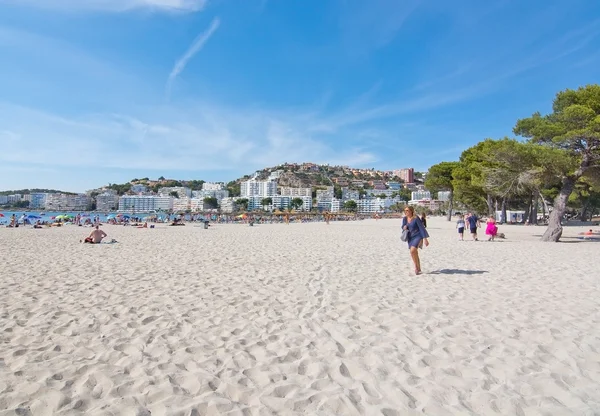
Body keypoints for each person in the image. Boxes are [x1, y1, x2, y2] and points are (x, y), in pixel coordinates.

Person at [402, 206, 430, 275]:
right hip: (410, 237)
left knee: (413, 250)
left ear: (411, 211)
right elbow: (402, 226)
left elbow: (421, 228)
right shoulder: (405, 219)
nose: (406, 212)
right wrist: (404, 227)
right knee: (414, 253)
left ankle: (416, 268)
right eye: (405, 211)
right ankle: (418, 268)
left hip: (418, 236)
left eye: (407, 210)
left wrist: (425, 239)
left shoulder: (416, 218)